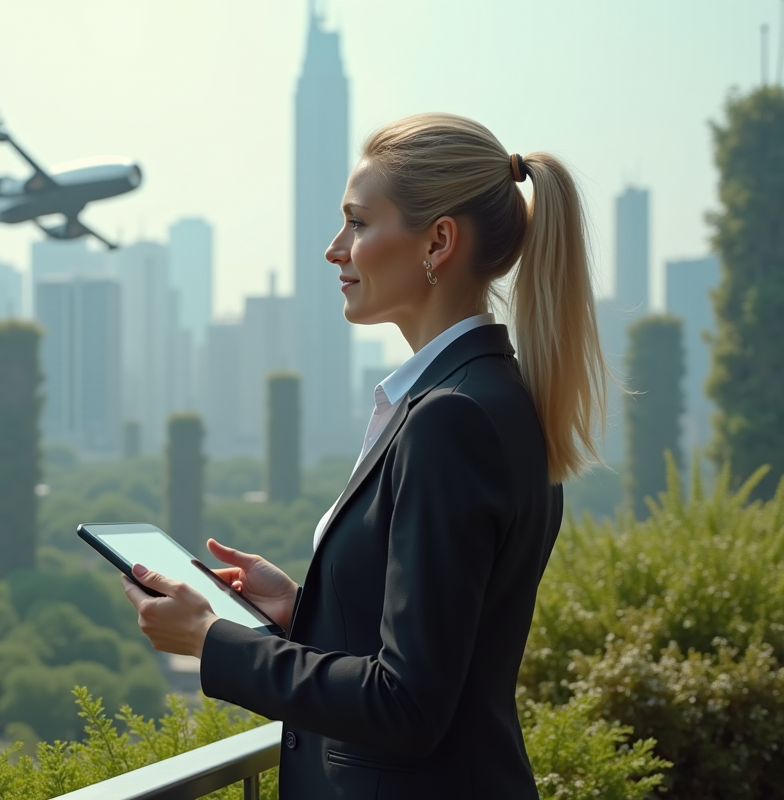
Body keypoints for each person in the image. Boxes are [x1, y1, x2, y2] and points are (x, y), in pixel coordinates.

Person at [121, 112, 605, 799]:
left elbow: (406, 705)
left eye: (357, 222)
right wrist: (303, 611)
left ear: (438, 241)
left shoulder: (451, 420)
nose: (335, 249)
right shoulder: (490, 395)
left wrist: (210, 638)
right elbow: (443, 642)